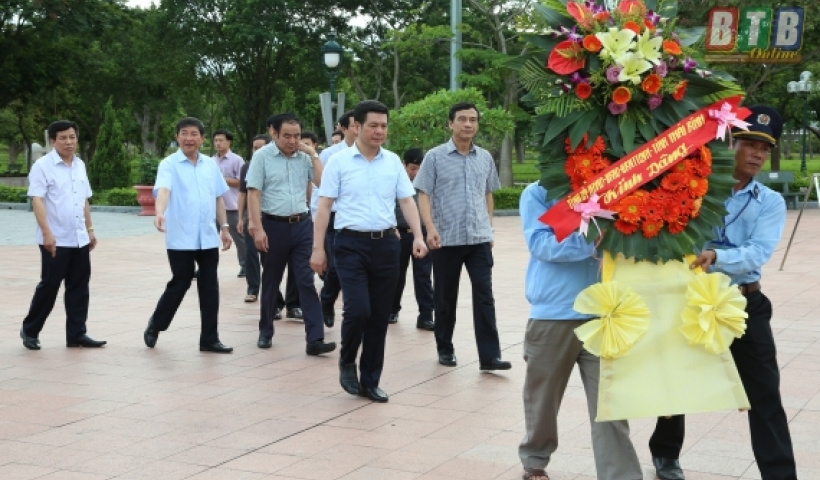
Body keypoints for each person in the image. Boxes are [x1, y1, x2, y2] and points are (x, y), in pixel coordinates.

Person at [649, 106, 796, 480]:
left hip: (743, 303)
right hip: (691, 300)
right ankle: (665, 454)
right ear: (731, 143)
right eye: (750, 144)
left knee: (765, 394)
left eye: (765, 148)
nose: (758, 155)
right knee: (676, 378)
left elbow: (758, 253)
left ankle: (780, 474)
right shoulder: (695, 184)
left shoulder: (770, 202)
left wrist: (714, 256)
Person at [518, 182, 642, 480]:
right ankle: (535, 459)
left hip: (603, 314)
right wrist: (593, 240)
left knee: (609, 404)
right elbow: (541, 244)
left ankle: (620, 474)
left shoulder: (617, 185)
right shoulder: (540, 192)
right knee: (543, 397)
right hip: (554, 313)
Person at [311, 100, 427, 403]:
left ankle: (371, 379)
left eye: (384, 126)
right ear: (356, 127)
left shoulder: (392, 163)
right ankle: (347, 360)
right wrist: (317, 249)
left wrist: (418, 235)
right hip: (350, 244)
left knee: (378, 317)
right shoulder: (338, 162)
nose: (379, 131)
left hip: (387, 244)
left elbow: (406, 201)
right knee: (358, 309)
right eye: (373, 125)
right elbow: (324, 207)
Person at [414, 101, 510, 371]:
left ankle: (490, 356)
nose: (468, 124)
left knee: (484, 296)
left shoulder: (485, 157)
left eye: (473, 119)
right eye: (462, 119)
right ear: (450, 123)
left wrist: (488, 227)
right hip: (446, 239)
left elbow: (487, 193)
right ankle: (445, 347)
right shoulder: (434, 157)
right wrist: (430, 228)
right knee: (445, 298)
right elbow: (423, 194)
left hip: (478, 239)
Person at [246, 113, 335, 356]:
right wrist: (257, 227)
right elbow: (253, 193)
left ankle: (315, 338)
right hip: (273, 226)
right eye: (287, 136)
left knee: (306, 279)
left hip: (302, 225)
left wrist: (314, 154)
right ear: (274, 133)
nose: (292, 141)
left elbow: (322, 182)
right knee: (272, 281)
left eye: (296, 136)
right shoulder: (262, 157)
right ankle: (266, 331)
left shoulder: (304, 158)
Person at [144, 117, 234, 353]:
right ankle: (156, 324)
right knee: (180, 282)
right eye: (184, 133)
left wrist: (224, 227)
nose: (189, 138)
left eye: (194, 134)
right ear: (177, 137)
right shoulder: (169, 164)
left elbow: (218, 197)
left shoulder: (210, 165)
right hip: (181, 236)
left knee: (209, 287)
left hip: (206, 236)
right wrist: (159, 212)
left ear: (202, 139)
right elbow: (163, 190)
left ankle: (209, 339)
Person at [20, 120, 106, 350]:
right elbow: (37, 200)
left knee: (79, 287)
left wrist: (90, 229)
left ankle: (77, 333)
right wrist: (47, 233)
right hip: (55, 238)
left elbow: (84, 200)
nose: (69, 142)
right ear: (52, 141)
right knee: (49, 286)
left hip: (78, 237)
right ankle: (30, 330)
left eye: (72, 137)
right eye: (63, 138)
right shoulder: (42, 166)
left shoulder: (79, 164)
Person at [314, 110, 357, 328]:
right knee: (336, 265)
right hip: (333, 218)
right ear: (343, 128)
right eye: (354, 125)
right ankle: (328, 299)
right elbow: (319, 192)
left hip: (358, 221)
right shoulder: (329, 155)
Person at [390, 148, 435, 331]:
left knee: (423, 276)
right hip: (399, 235)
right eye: (412, 168)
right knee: (396, 275)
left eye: (419, 169)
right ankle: (392, 310)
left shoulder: (428, 185)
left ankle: (425, 316)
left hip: (422, 236)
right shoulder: (395, 182)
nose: (415, 173)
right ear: (404, 165)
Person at [212, 129, 246, 277]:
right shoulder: (210, 161)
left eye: (221, 140)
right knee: (210, 238)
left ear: (229, 141)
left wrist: (221, 179)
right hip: (212, 207)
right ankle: (207, 267)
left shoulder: (237, 160)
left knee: (239, 238)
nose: (218, 143)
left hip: (232, 206)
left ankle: (245, 265)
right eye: (216, 141)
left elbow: (241, 182)